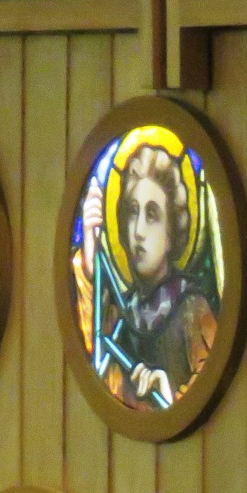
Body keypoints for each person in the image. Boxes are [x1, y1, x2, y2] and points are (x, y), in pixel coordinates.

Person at [77, 137, 219, 411]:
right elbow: (97, 368)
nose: (138, 230)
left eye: (152, 215)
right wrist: (91, 263)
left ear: (172, 232)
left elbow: (210, 387)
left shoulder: (193, 310)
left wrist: (169, 396)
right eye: (132, 212)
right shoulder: (118, 314)